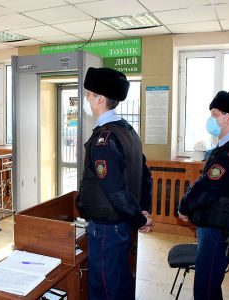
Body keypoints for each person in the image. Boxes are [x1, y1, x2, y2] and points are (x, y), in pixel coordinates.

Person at [76, 67, 154, 300]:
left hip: (107, 228)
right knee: (121, 284)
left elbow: (115, 190)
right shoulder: (127, 131)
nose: (87, 99)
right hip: (121, 224)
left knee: (104, 289)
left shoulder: (104, 139)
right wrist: (142, 210)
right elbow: (145, 175)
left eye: (89, 94)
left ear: (100, 98)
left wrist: (139, 218)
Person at [178, 91, 229, 300]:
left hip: (218, 233)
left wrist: (184, 207)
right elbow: (204, 182)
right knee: (210, 287)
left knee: (205, 291)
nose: (211, 119)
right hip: (217, 229)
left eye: (215, 114)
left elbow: (206, 188)